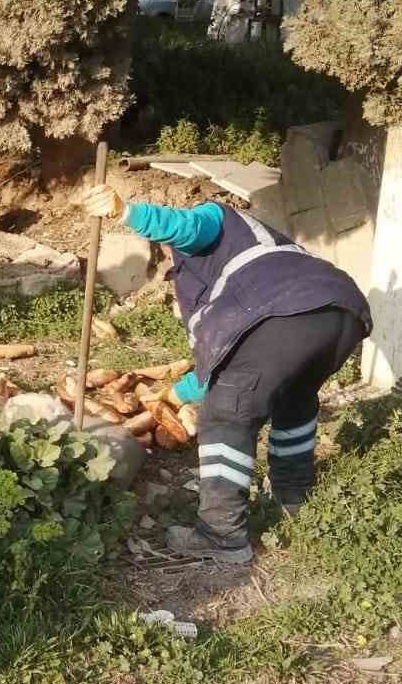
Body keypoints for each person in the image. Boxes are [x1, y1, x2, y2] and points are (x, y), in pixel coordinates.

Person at [80, 185, 371, 564]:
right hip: (340, 315)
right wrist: (178, 393)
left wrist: (126, 212)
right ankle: (294, 500)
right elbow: (236, 365)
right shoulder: (266, 253)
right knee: (294, 399)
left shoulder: (217, 220)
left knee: (225, 415)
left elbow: (185, 226)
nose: (168, 257)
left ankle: (222, 534)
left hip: (283, 316)